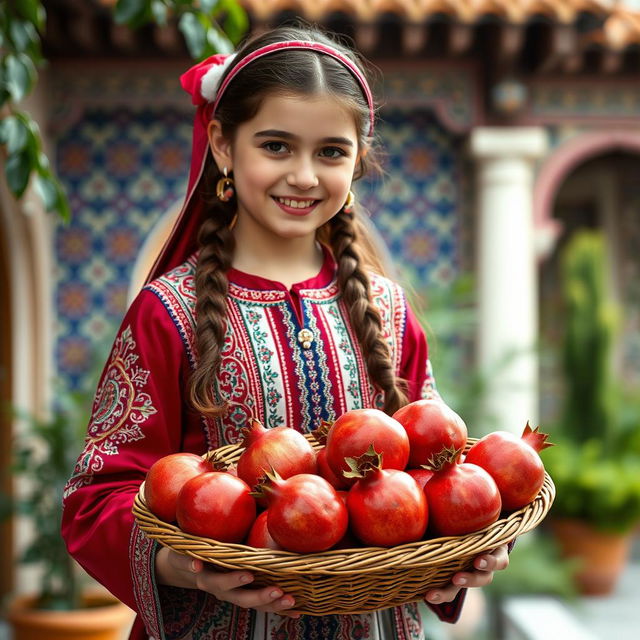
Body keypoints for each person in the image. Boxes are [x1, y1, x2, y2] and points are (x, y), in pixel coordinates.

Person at [61, 23, 509, 640]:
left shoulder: (389, 311)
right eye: (276, 146)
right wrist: (185, 568)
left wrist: (466, 550)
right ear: (222, 143)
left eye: (331, 152)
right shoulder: (167, 312)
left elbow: (434, 477)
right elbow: (95, 497)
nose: (303, 175)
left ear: (357, 159)